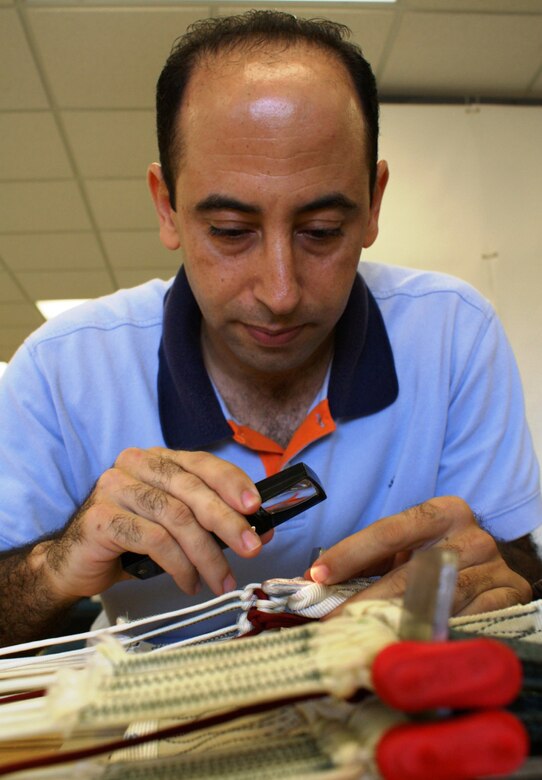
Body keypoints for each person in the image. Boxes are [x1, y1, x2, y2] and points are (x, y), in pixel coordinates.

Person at [0, 10, 540, 648]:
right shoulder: (62, 371)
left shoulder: (454, 332)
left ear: (374, 205)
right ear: (166, 207)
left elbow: (519, 566)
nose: (280, 294)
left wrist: (498, 575)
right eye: (230, 232)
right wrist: (56, 565)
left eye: (321, 233)